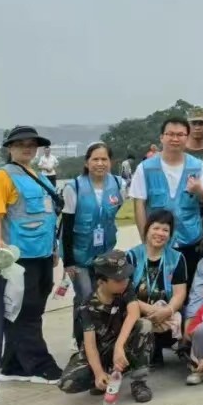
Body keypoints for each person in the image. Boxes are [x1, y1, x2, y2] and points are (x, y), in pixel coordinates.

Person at [0, 125, 63, 383]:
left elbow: (47, 215)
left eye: (32, 144)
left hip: (42, 254)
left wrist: (53, 249)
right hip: (19, 257)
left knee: (33, 309)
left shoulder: (36, 175)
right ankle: (40, 365)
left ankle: (13, 365)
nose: (27, 148)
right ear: (10, 148)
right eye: (21, 144)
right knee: (25, 311)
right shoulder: (2, 177)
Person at [58, 250, 154, 403]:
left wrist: (119, 347)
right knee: (67, 382)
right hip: (101, 351)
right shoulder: (87, 306)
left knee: (144, 325)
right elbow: (90, 345)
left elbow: (134, 313)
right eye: (118, 280)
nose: (124, 281)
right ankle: (105, 377)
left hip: (122, 343)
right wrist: (98, 373)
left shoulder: (125, 288)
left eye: (126, 277)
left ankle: (139, 382)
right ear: (101, 282)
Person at [129, 117, 203, 283]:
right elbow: (139, 205)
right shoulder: (146, 168)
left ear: (187, 138)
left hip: (190, 240)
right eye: (170, 134)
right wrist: (145, 241)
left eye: (180, 134)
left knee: (188, 285)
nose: (175, 139)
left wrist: (199, 190)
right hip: (158, 241)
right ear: (162, 137)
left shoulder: (197, 166)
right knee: (159, 288)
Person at [61, 142, 124, 340]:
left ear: (111, 162)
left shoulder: (119, 184)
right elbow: (66, 226)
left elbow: (113, 214)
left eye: (104, 159)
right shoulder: (74, 187)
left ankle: (100, 336)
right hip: (78, 255)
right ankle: (80, 338)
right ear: (87, 163)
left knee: (103, 295)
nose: (100, 163)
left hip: (104, 253)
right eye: (95, 159)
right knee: (85, 295)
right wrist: (68, 261)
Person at [126, 210, 188, 365]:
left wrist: (167, 311)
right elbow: (125, 293)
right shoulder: (131, 256)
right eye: (156, 228)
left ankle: (157, 348)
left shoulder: (177, 258)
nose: (160, 233)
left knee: (184, 317)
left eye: (165, 230)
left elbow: (179, 294)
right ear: (147, 229)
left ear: (170, 234)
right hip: (137, 310)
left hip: (165, 313)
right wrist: (150, 310)